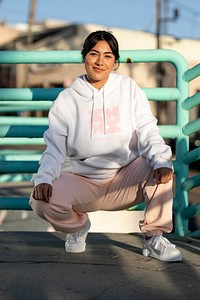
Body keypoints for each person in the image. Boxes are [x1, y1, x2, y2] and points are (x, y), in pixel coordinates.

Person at [30, 30, 182, 262]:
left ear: (115, 62)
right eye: (94, 54)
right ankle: (78, 227)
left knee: (162, 167)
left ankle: (154, 238)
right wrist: (44, 178)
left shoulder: (128, 88)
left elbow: (146, 129)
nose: (100, 61)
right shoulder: (67, 99)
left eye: (108, 56)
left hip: (124, 178)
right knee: (40, 200)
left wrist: (161, 160)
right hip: (84, 182)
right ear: (84, 57)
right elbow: (54, 146)